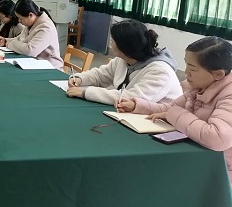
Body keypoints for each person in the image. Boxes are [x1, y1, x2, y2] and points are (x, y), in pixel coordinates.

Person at [118, 37, 232, 181]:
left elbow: (218, 138)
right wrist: (139, 106)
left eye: (193, 69)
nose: (186, 72)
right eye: (186, 65)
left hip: (220, 173)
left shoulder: (228, 95)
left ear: (218, 74)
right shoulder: (198, 87)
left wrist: (174, 114)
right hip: (197, 159)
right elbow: (171, 109)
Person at [66, 20, 182, 106]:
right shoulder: (124, 59)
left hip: (158, 123)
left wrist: (86, 92)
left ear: (124, 48)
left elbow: (130, 98)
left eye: (113, 41)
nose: (110, 43)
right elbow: (101, 75)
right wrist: (80, 79)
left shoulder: (160, 71)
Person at [0, 0, 63, 69]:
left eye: (20, 18)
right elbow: (20, 38)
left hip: (50, 68)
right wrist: (5, 40)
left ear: (30, 15)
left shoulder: (46, 28)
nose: (19, 21)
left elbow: (30, 51)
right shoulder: (31, 23)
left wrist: (8, 43)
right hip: (34, 64)